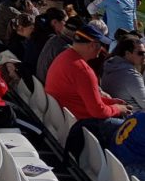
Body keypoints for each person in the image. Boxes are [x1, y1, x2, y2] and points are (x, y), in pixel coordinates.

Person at [45, 23, 129, 152]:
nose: (101, 49)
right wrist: (117, 108)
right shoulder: (82, 70)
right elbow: (98, 112)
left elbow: (85, 97)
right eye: (101, 46)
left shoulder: (64, 57)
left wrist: (112, 103)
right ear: (93, 45)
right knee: (131, 129)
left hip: (68, 119)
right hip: (83, 125)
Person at [101, 36, 145, 112]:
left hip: (115, 114)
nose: (144, 56)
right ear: (127, 53)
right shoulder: (131, 75)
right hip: (132, 119)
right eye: (140, 53)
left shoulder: (110, 65)